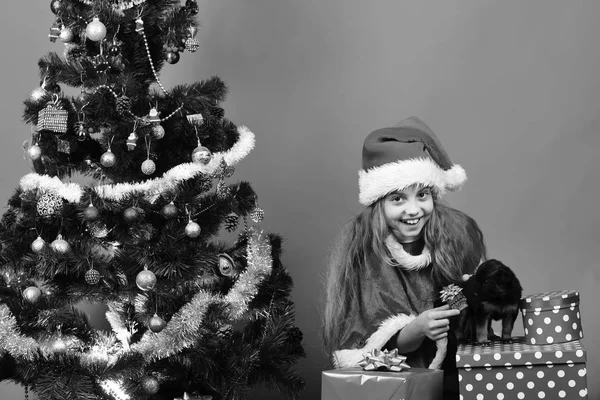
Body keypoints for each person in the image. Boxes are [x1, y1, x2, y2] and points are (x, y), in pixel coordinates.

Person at [322, 116, 486, 398]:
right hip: (399, 384)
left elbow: (472, 299)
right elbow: (375, 348)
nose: (413, 210)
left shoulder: (456, 235)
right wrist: (418, 328)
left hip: (456, 375)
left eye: (422, 194)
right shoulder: (364, 253)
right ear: (379, 202)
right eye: (398, 199)